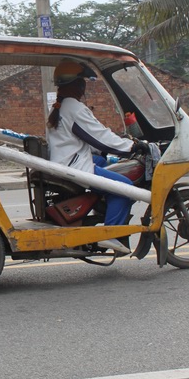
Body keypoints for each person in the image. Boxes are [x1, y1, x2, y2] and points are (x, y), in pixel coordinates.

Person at [46, 60, 147, 254]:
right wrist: (132, 147)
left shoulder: (60, 107)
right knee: (125, 188)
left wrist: (104, 152)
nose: (84, 85)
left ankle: (104, 207)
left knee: (103, 162)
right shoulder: (74, 108)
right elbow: (100, 137)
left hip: (66, 162)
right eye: (82, 81)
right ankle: (111, 235)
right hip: (74, 169)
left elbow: (87, 138)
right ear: (78, 84)